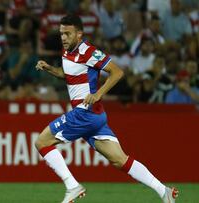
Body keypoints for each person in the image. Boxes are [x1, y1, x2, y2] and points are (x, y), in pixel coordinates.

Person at [34, 14, 178, 203]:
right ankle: (164, 191)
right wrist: (49, 69)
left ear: (79, 34)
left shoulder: (89, 52)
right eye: (61, 33)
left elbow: (117, 72)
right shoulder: (67, 52)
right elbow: (68, 75)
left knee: (42, 142)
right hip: (95, 117)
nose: (63, 38)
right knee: (121, 160)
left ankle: (72, 186)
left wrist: (99, 93)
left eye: (67, 34)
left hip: (84, 113)